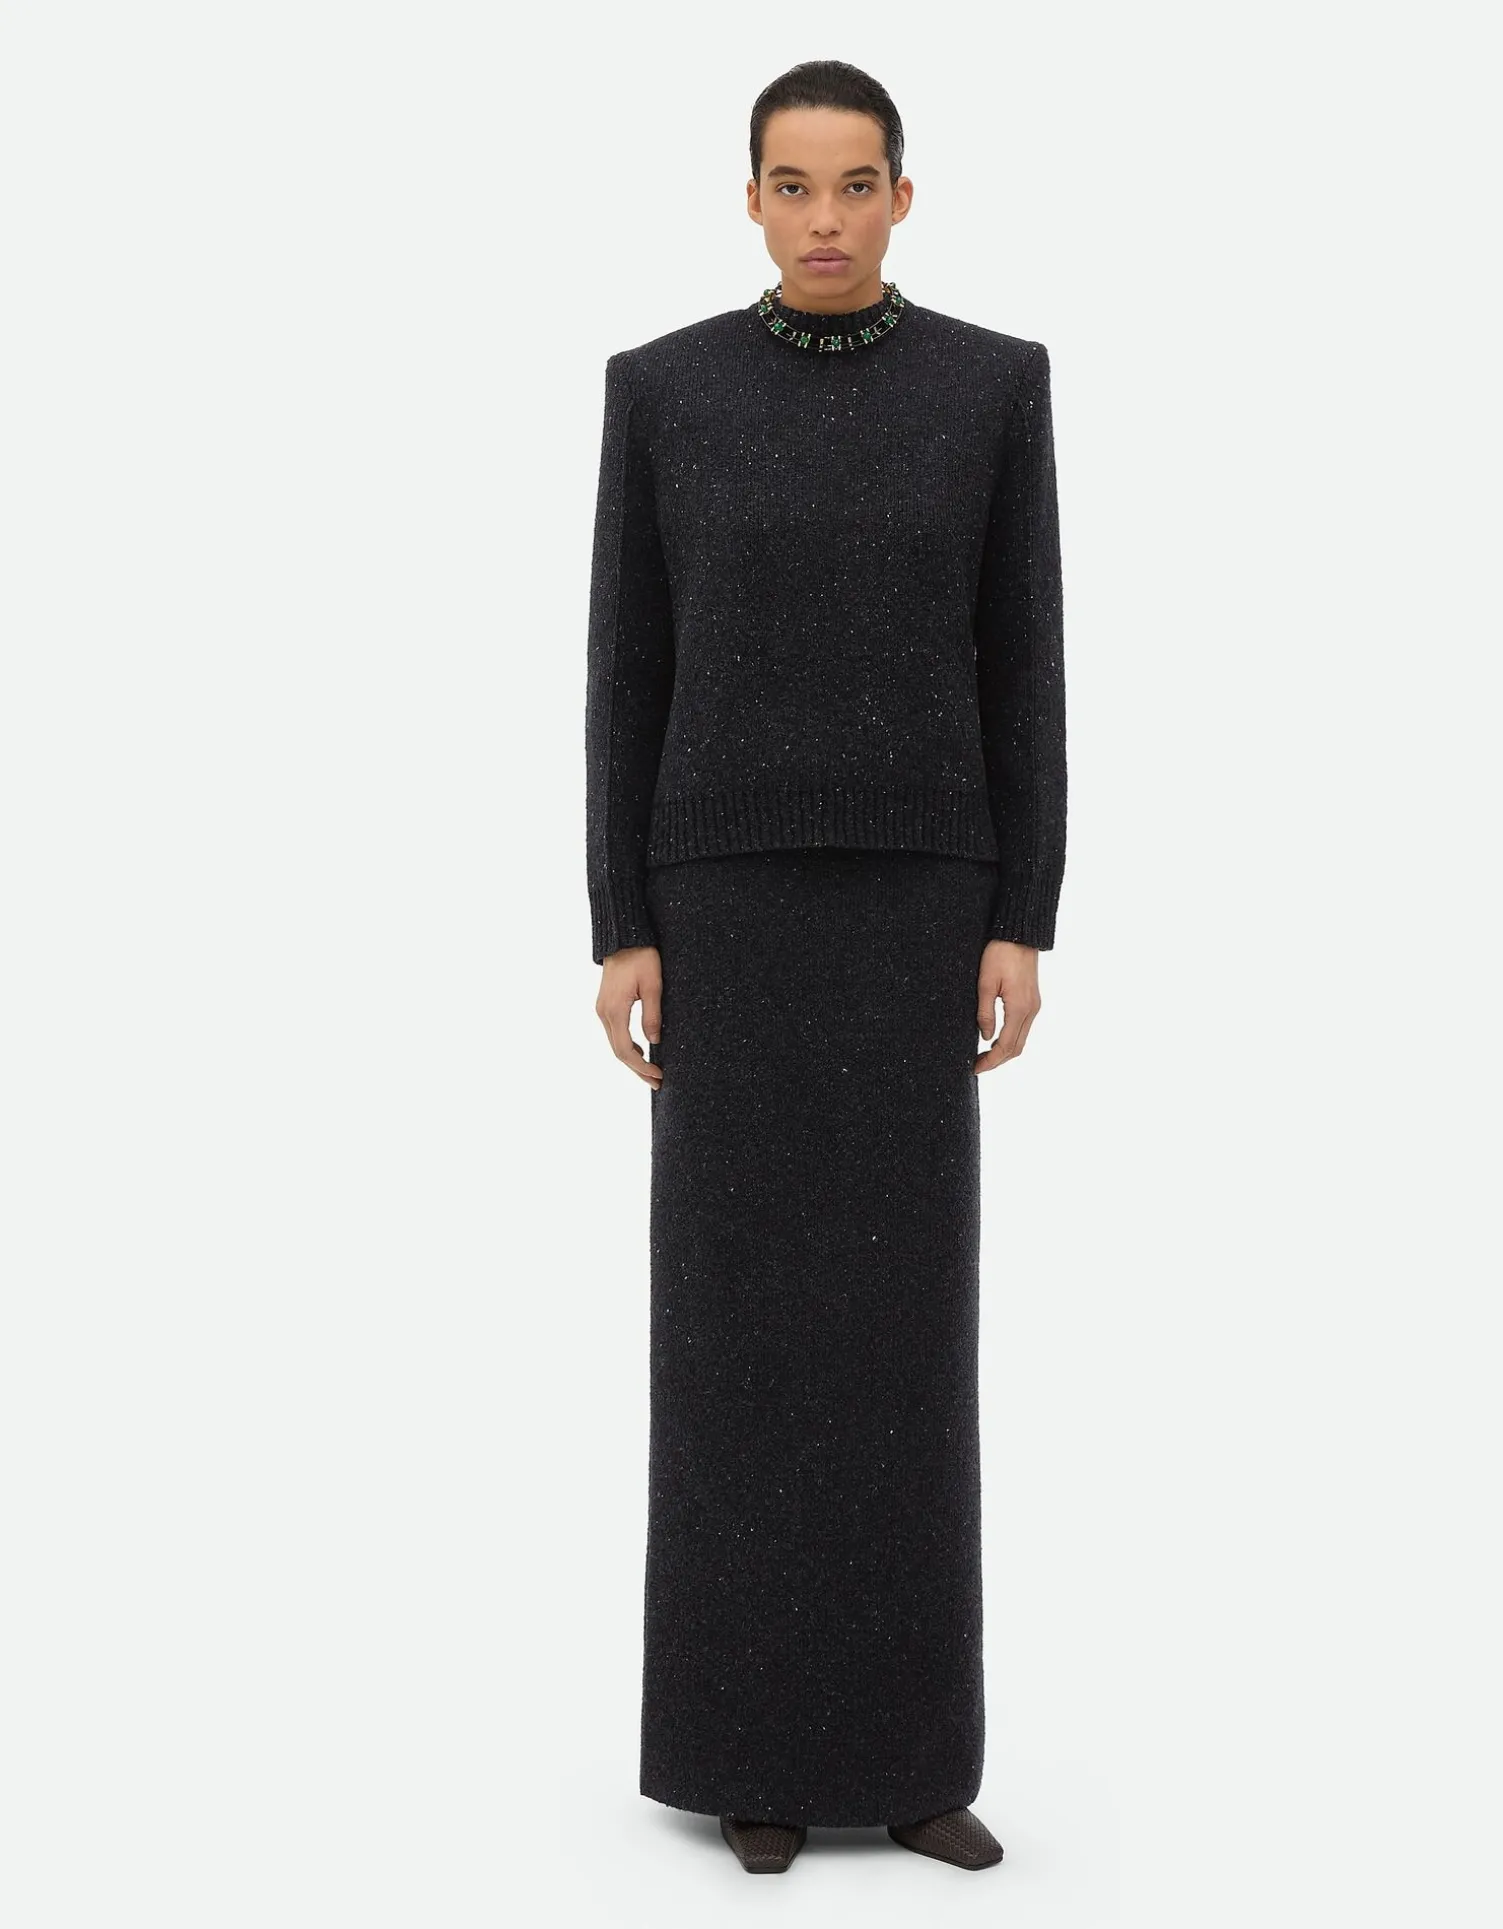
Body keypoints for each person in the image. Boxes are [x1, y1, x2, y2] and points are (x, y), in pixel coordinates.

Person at [584, 58, 1067, 1876]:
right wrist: (620, 921)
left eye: (855, 185)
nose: (825, 220)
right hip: (722, 915)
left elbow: (1025, 661)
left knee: (901, 1337)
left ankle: (913, 1762)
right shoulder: (664, 392)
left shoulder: (989, 388)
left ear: (902, 198)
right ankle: (750, 1763)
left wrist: (1023, 910)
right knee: (732, 1337)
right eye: (792, 186)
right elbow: (625, 670)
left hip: (916, 915)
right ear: (750, 201)